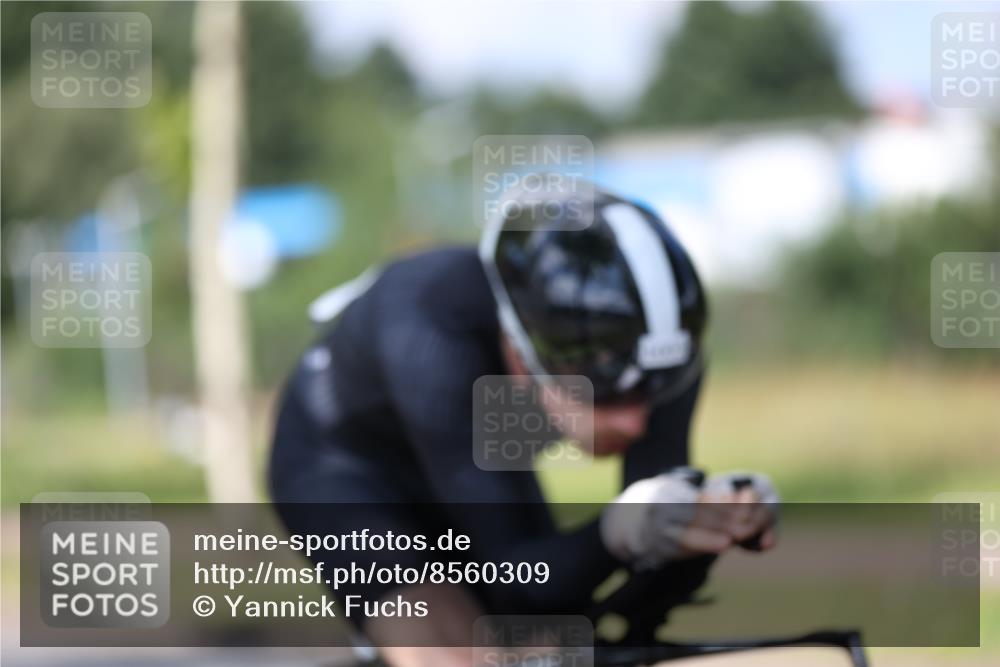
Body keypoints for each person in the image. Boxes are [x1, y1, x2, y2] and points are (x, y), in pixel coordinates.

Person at [269, 182, 778, 667]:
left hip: (475, 448)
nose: (636, 418)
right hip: (344, 467)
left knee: (556, 642)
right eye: (607, 387)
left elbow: (637, 579)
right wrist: (617, 534)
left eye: (657, 387)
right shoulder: (431, 329)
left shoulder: (652, 343)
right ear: (520, 346)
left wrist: (711, 522)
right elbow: (522, 582)